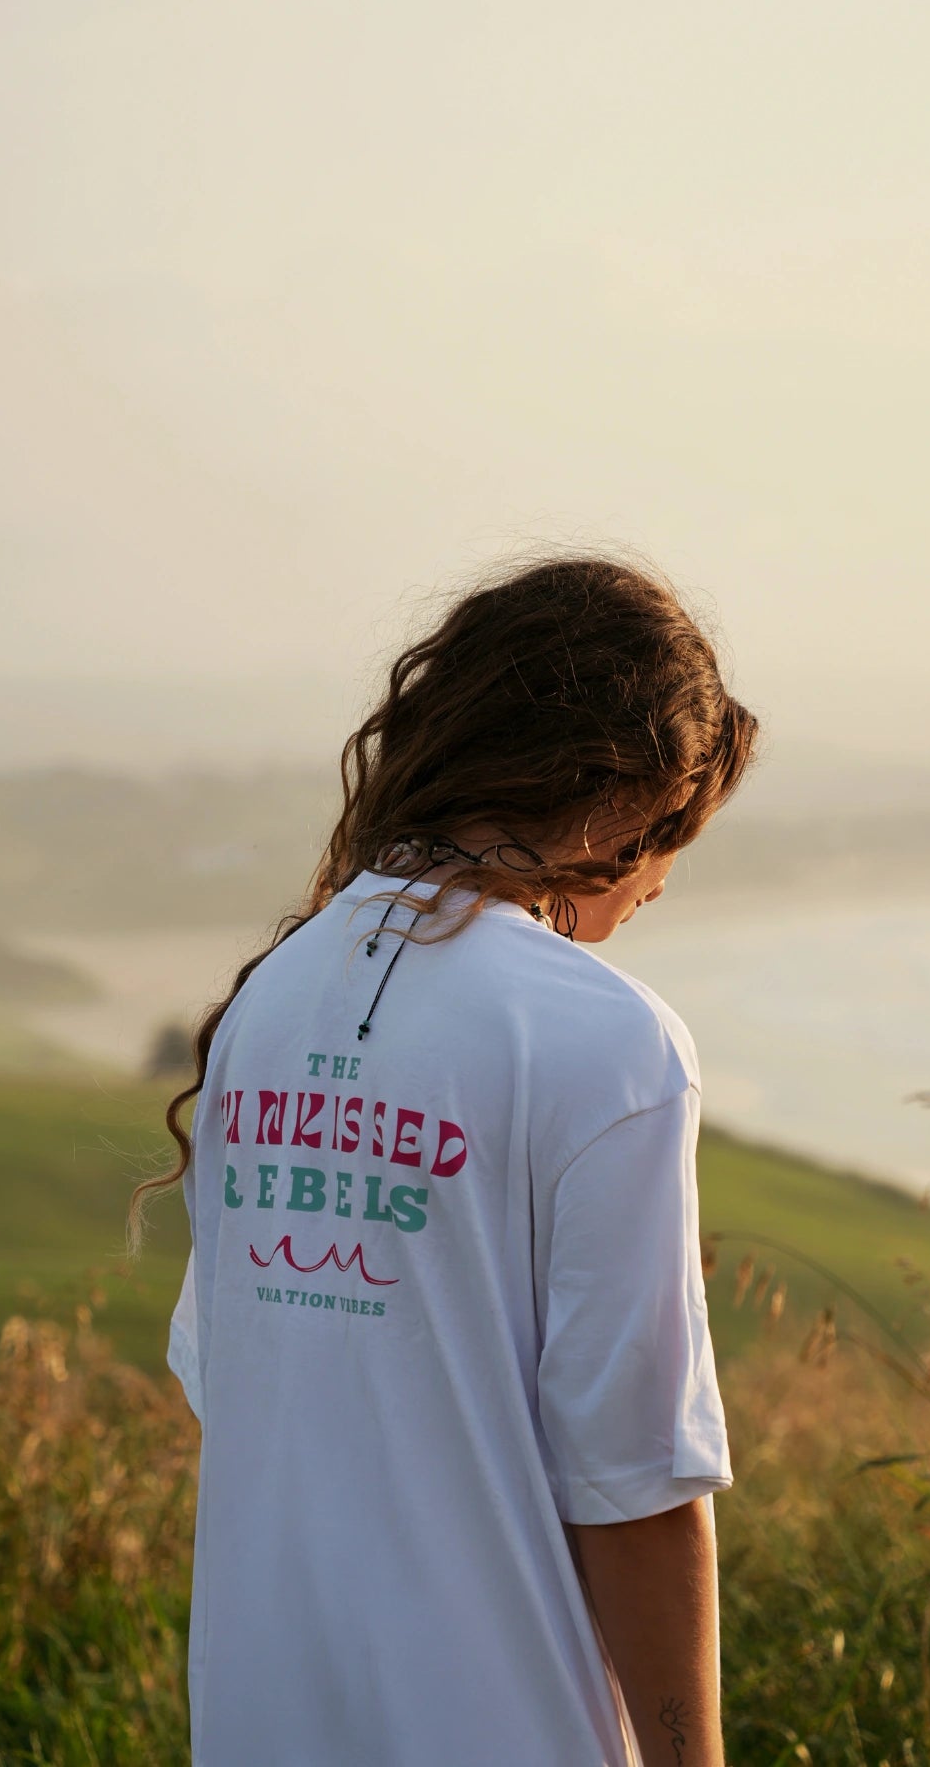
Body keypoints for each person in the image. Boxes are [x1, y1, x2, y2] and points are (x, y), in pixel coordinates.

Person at [129, 550, 760, 1767]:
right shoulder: (614, 1046)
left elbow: (247, 1395)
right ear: (622, 798)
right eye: (676, 830)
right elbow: (636, 1487)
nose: (664, 881)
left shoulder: (270, 1004)